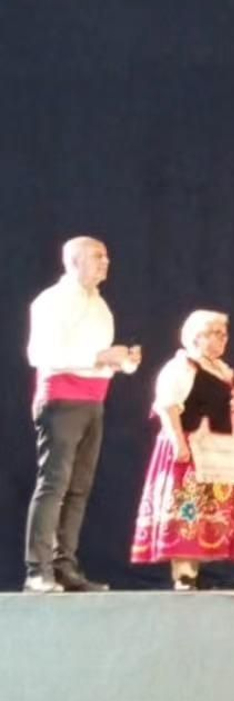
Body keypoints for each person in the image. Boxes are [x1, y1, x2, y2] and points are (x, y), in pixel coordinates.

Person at [23, 236, 141, 594]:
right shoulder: (52, 300)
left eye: (106, 256)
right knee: (54, 484)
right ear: (74, 261)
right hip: (61, 399)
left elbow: (100, 360)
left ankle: (64, 567)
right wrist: (99, 357)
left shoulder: (100, 305)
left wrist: (123, 362)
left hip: (93, 400)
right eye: (97, 256)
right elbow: (40, 354)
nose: (106, 262)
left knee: (79, 488)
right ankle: (38, 570)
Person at [131, 310, 234, 589]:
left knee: (209, 508)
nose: (222, 339)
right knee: (188, 505)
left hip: (220, 449)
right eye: (214, 333)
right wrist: (178, 442)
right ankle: (184, 572)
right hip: (192, 445)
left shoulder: (224, 370)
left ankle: (195, 571)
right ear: (195, 337)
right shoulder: (182, 366)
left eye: (224, 334)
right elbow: (168, 406)